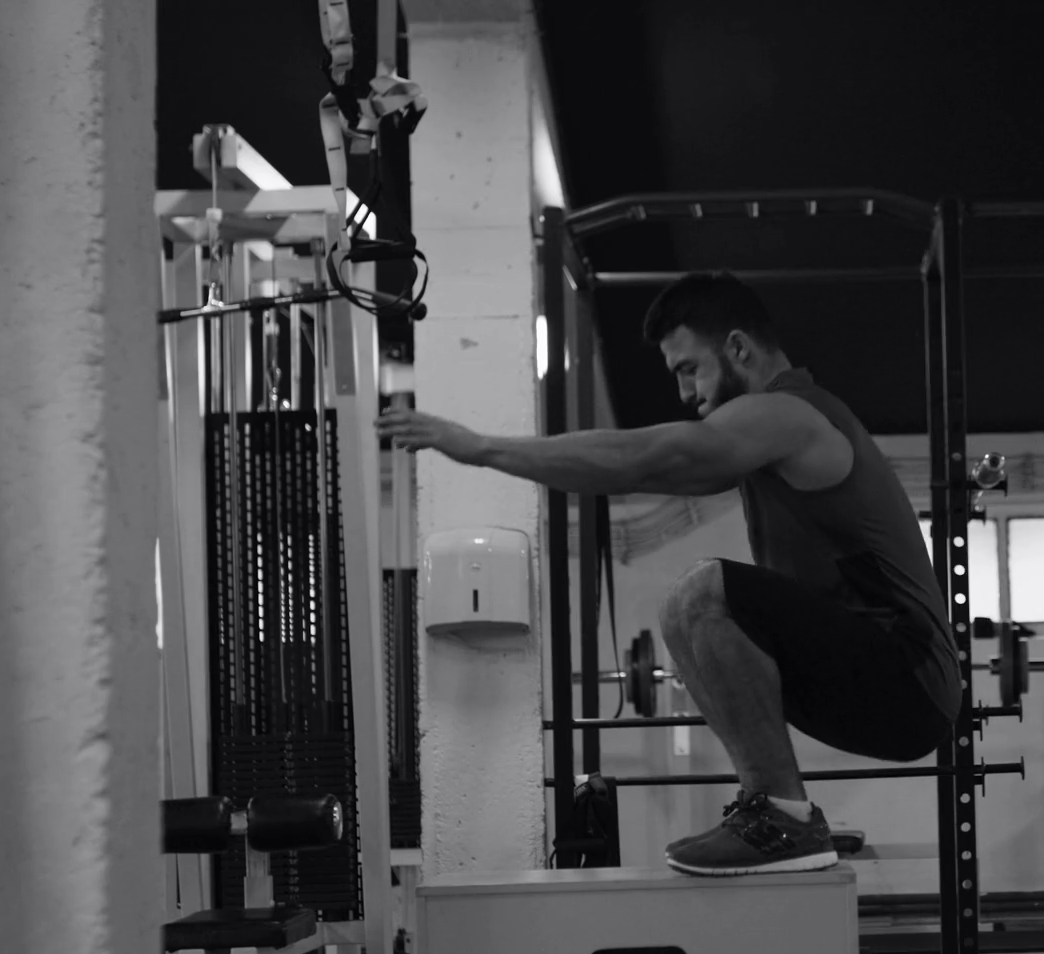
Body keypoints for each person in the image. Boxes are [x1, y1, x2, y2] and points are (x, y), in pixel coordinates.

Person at [376, 272, 961, 875]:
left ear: (738, 348)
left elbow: (649, 457)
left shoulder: (792, 415)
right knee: (685, 611)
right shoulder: (767, 441)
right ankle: (770, 809)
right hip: (881, 684)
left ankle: (783, 817)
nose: (686, 393)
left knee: (703, 596)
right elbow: (641, 468)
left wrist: (481, 449)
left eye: (689, 369)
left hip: (911, 679)